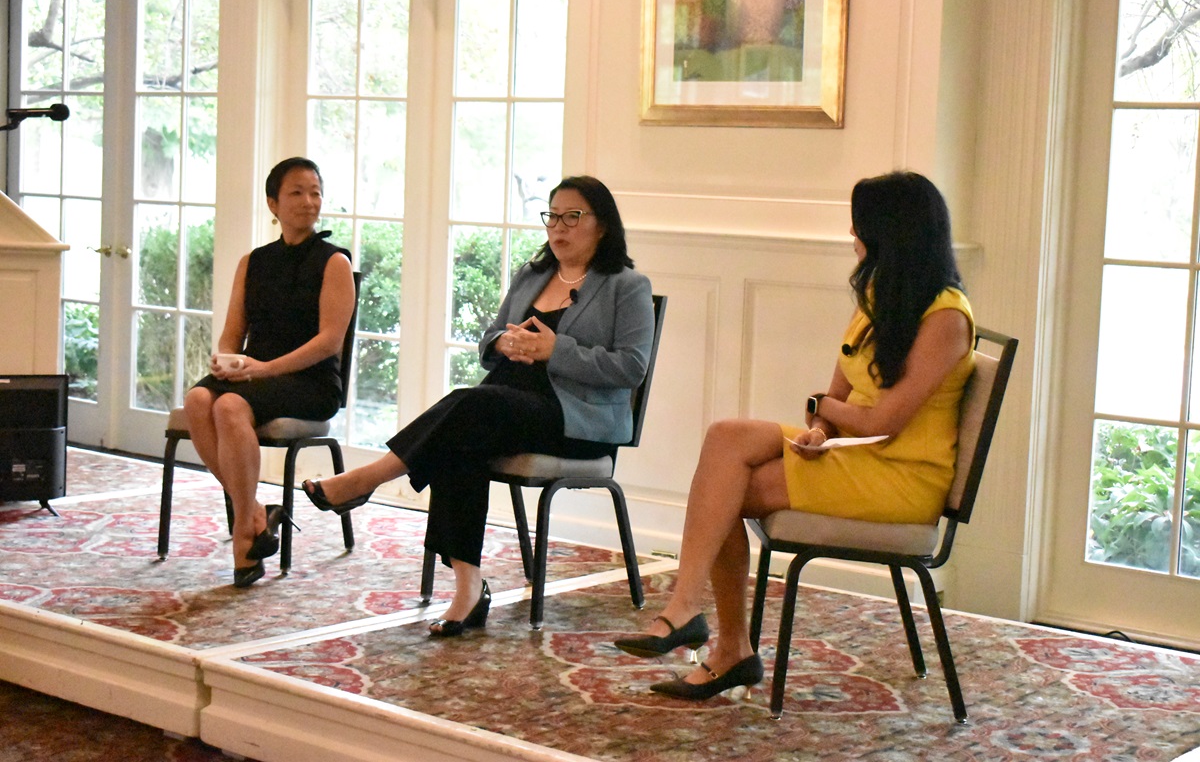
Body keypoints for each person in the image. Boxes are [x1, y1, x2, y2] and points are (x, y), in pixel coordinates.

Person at [613, 170, 975, 700]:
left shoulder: (946, 318)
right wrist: (821, 427)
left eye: (860, 229)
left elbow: (883, 421)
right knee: (726, 438)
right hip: (859, 454)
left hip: (902, 477)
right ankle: (690, 611)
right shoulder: (881, 291)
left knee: (727, 492)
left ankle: (723, 643)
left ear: (890, 235)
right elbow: (842, 393)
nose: (853, 238)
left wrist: (821, 411)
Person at [302, 175, 655, 638]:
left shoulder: (626, 286)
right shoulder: (533, 274)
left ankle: (366, 479)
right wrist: (504, 342)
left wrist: (556, 350)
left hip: (576, 419)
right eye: (553, 217)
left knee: (467, 408)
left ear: (603, 225)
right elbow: (488, 340)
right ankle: (468, 589)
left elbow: (632, 367)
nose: (559, 228)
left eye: (574, 217)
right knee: (461, 435)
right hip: (507, 403)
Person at [183, 157, 356, 588]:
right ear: (272, 203)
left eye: (315, 192)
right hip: (255, 374)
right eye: (296, 192)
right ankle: (256, 512)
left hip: (310, 381)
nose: (309, 201)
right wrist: (228, 359)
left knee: (229, 408)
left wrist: (263, 370)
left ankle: (244, 536)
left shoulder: (334, 262)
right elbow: (230, 335)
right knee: (198, 399)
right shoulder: (253, 262)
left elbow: (329, 342)